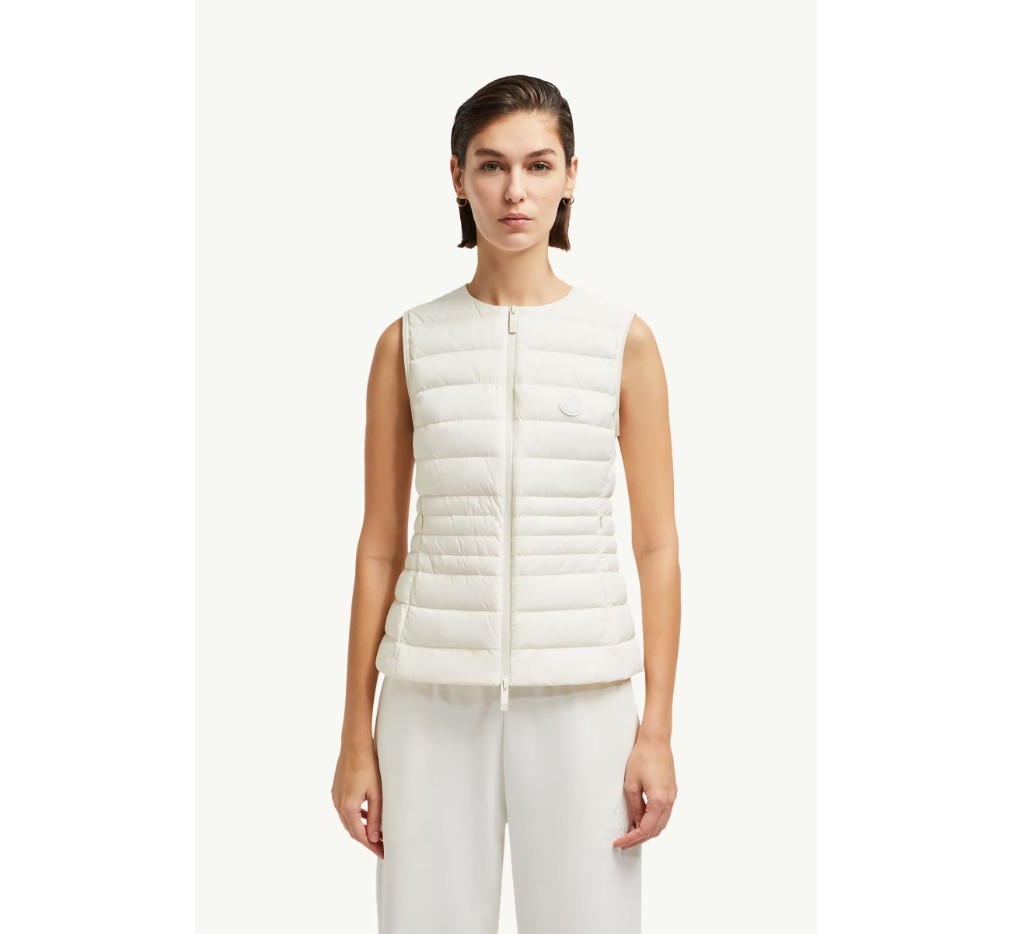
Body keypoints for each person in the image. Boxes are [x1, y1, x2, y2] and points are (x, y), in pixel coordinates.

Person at [331, 74, 681, 934]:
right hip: (430, 698)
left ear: (570, 176)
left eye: (537, 164)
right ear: (457, 176)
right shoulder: (407, 343)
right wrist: (354, 738)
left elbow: (657, 546)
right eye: (491, 166)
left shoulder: (622, 342)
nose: (514, 191)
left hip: (584, 696)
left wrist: (656, 729)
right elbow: (380, 545)